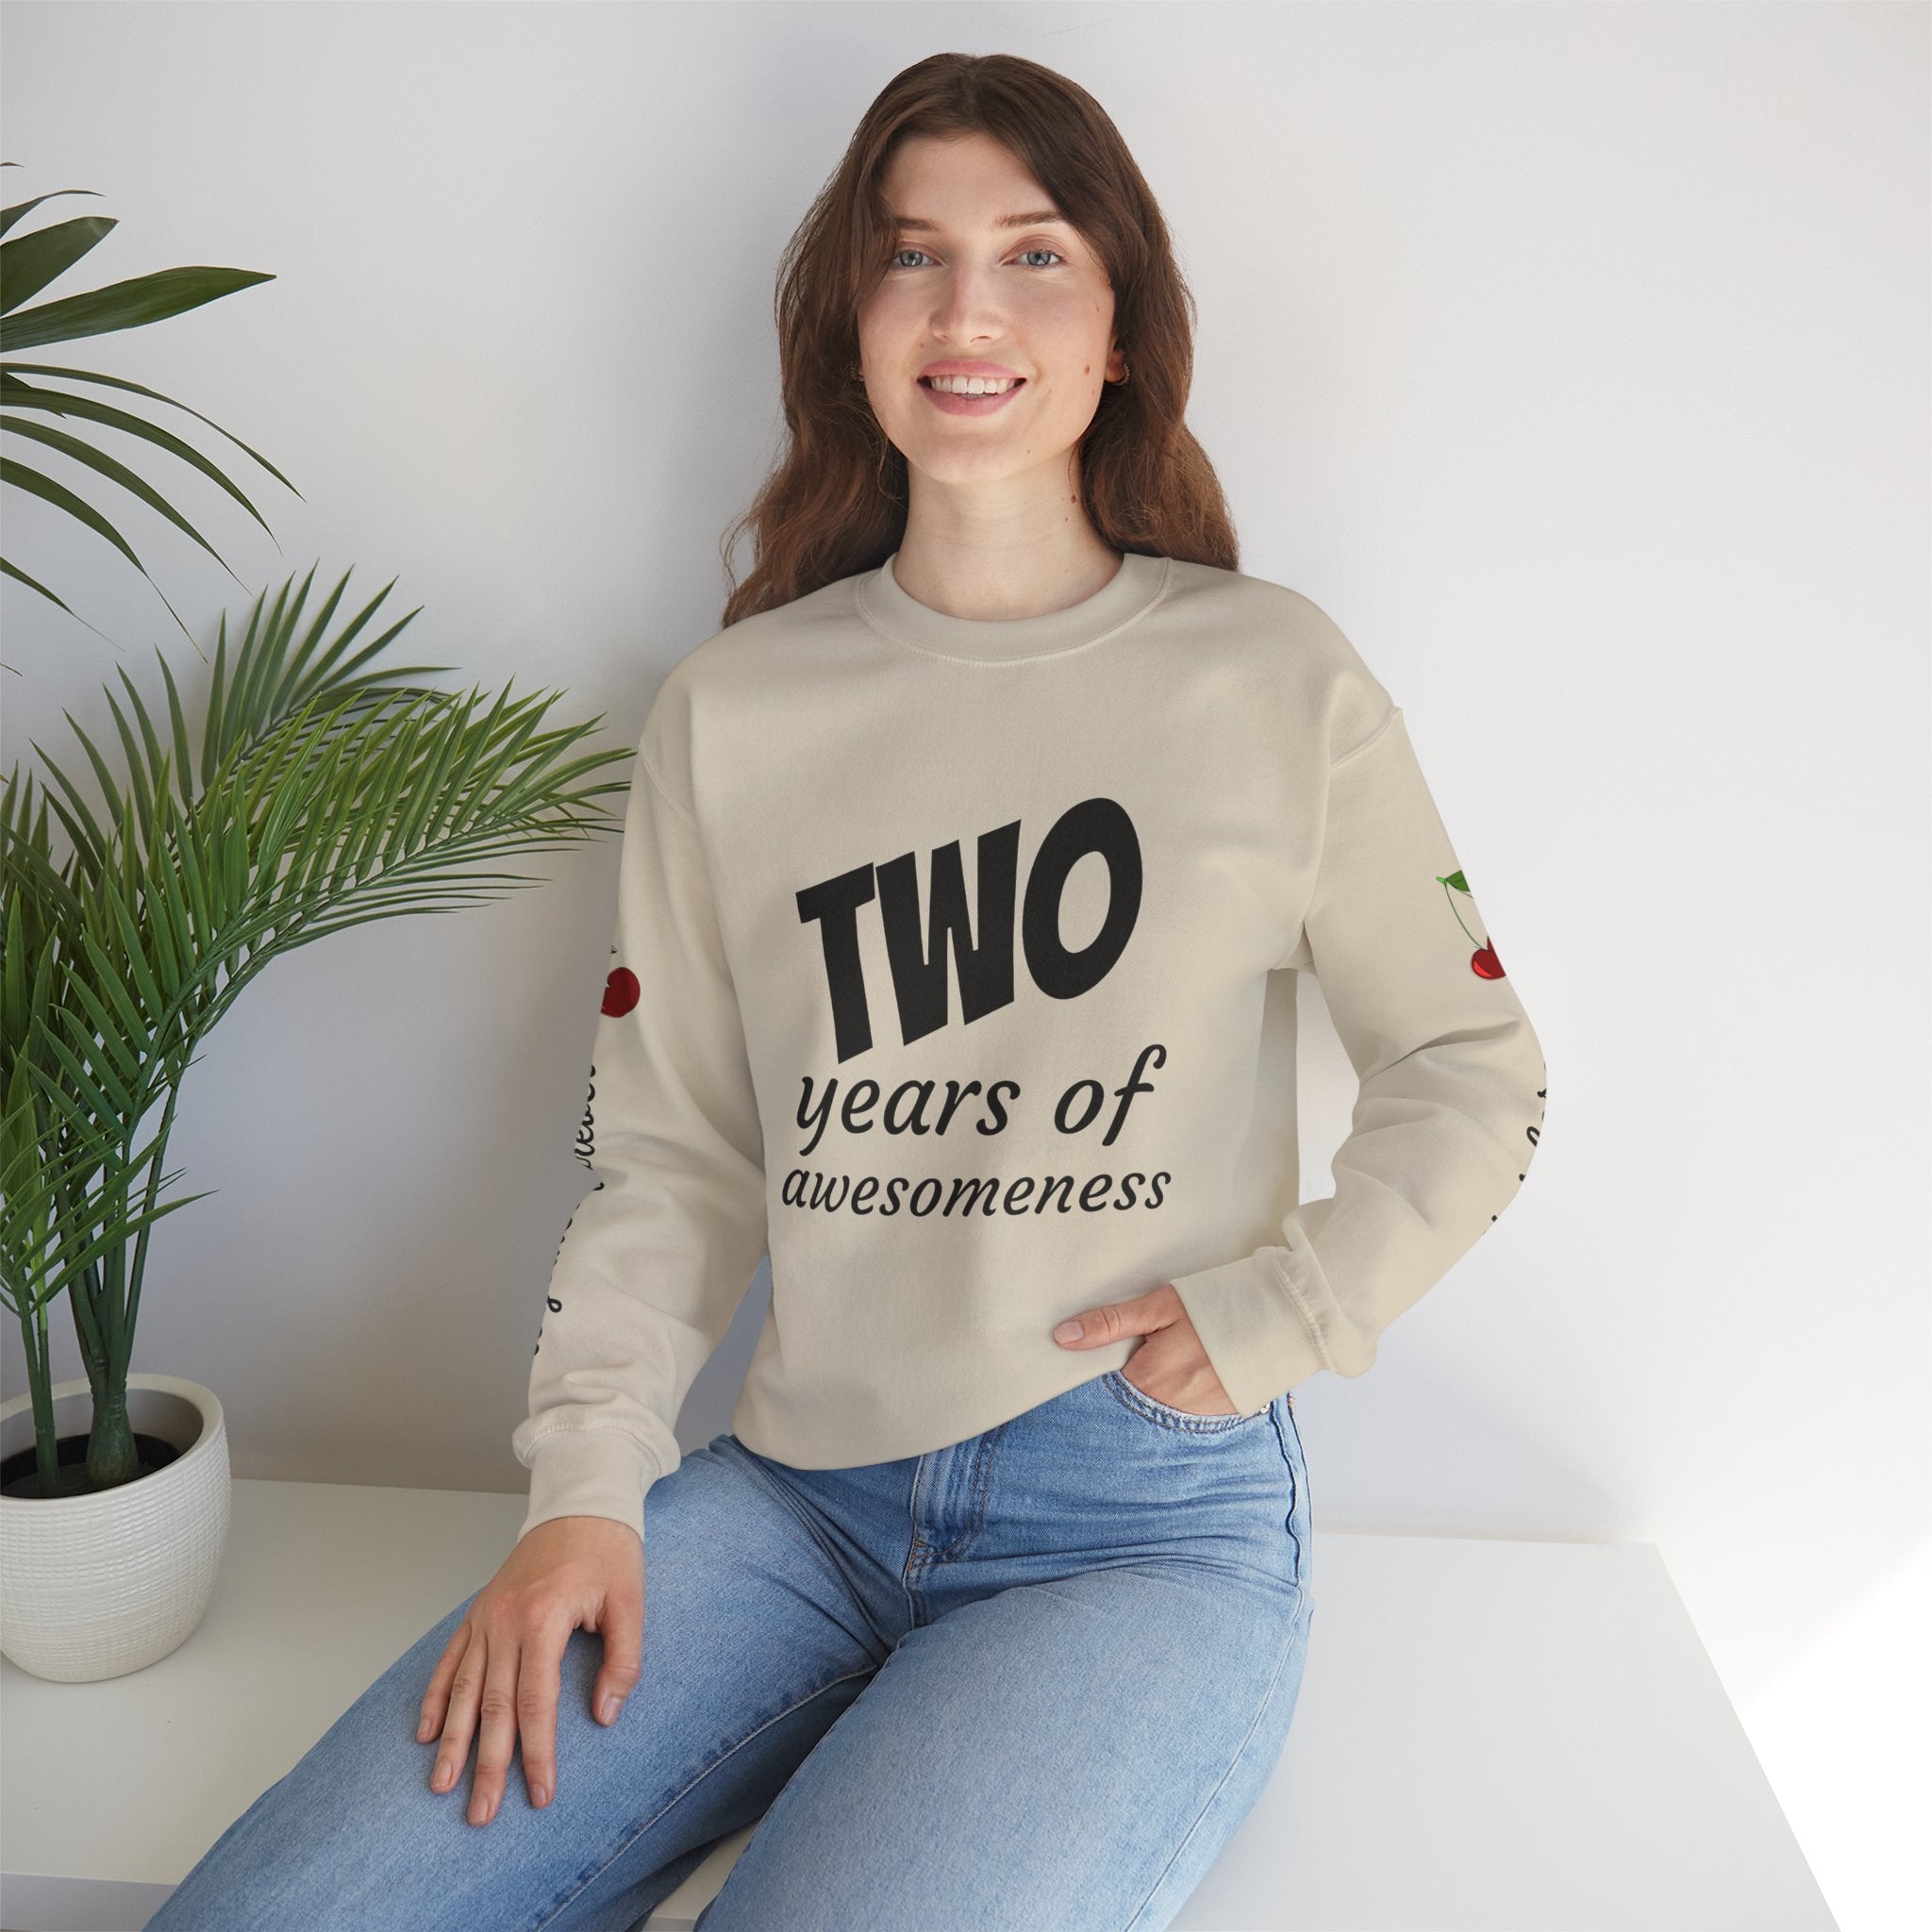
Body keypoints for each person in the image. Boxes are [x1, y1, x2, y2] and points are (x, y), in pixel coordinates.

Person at [147, 50, 1546, 1932]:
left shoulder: (1271, 680)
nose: (967, 310)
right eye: (911, 258)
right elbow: (673, 1165)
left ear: (1119, 324)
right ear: (853, 323)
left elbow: (1474, 1068)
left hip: (1134, 1526)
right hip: (794, 1498)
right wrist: (584, 1487)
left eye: (1033, 255)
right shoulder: (737, 711)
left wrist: (1293, 1299)